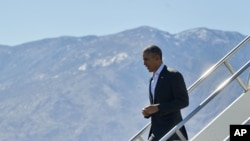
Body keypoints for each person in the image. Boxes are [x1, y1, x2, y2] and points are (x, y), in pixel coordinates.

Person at [142, 45, 189, 141]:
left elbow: (183, 101)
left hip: (172, 131)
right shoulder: (152, 80)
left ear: (157, 58)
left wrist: (158, 108)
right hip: (156, 132)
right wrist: (148, 112)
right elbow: (156, 106)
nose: (144, 63)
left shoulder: (173, 75)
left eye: (146, 59)